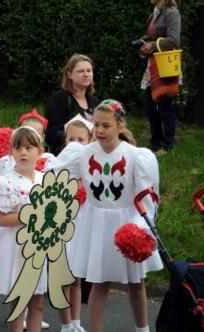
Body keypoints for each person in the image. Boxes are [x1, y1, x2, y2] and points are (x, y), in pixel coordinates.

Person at [46, 100, 163, 332]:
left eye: (106, 125)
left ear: (120, 126)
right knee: (99, 283)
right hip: (97, 224)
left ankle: (143, 329)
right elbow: (52, 175)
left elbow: (146, 199)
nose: (99, 130)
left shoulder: (136, 156)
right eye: (96, 124)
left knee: (136, 283)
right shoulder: (83, 154)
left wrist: (139, 228)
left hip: (127, 222)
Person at [0, 126, 47, 332]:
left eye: (29, 147)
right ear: (11, 151)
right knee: (19, 300)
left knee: (38, 300)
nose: (23, 152)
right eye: (18, 147)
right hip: (17, 245)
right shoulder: (5, 183)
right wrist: (32, 215)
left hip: (40, 246)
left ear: (39, 152)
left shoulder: (45, 180)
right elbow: (2, 220)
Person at [56, 114, 93, 332]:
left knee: (76, 279)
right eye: (72, 140)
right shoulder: (59, 166)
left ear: (90, 142)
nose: (76, 145)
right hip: (64, 226)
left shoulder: (91, 169)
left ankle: (77, 322)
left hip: (81, 226)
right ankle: (65, 323)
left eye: (81, 140)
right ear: (65, 141)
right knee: (63, 278)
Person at [139, 0, 181, 154]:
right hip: (152, 67)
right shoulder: (154, 13)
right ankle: (155, 144)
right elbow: (152, 38)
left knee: (164, 107)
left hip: (166, 67)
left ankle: (168, 146)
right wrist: (144, 47)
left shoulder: (172, 12)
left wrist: (153, 46)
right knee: (151, 109)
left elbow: (174, 40)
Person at [45, 54, 100, 156]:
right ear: (69, 74)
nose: (86, 74)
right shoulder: (60, 99)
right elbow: (50, 135)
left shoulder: (94, 102)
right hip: (66, 158)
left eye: (89, 71)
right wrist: (76, 136)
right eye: (80, 71)